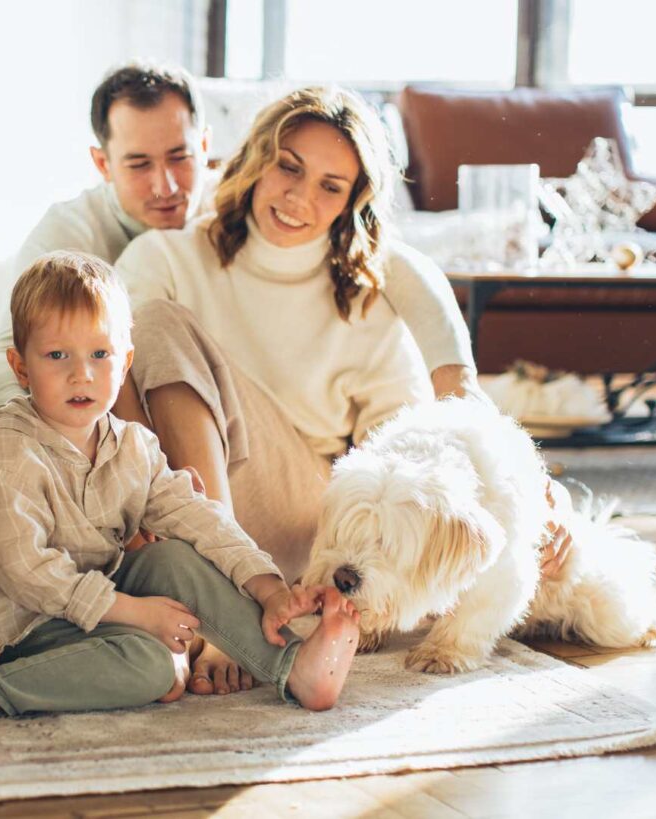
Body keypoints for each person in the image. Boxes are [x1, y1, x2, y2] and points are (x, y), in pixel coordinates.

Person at [114, 86, 573, 694]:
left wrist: (535, 501)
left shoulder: (365, 294)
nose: (301, 198)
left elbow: (410, 453)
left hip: (309, 522)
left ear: (353, 200)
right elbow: (106, 364)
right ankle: (210, 591)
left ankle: (221, 610)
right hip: (181, 495)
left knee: (159, 325)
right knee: (145, 326)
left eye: (332, 186)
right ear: (255, 159)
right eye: (289, 167)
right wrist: (132, 483)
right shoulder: (167, 255)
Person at [0, 252, 361, 738]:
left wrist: (268, 586)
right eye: (57, 356)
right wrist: (134, 613)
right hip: (19, 625)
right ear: (20, 367)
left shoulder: (133, 446)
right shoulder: (7, 451)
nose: (82, 375)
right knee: (152, 667)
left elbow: (200, 517)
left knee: (176, 557)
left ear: (125, 361)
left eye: (100, 355)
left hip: (100, 597)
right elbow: (29, 576)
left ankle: (292, 665)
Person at [0, 62, 211, 465]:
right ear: (102, 164)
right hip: (101, 411)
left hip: (203, 402)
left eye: (180, 157)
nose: (166, 186)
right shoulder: (68, 233)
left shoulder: (232, 216)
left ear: (205, 147)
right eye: (139, 165)